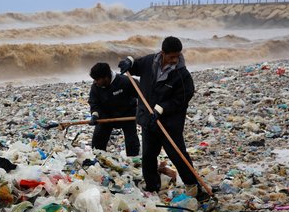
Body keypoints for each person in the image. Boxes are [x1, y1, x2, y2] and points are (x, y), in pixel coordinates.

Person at [118, 36, 210, 202]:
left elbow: (183, 97)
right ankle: (152, 186)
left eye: (177, 56)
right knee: (148, 155)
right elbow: (134, 65)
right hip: (148, 119)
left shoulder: (182, 75)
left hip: (169, 123)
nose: (175, 60)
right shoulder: (149, 62)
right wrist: (128, 62)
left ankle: (193, 187)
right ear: (163, 53)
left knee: (177, 155)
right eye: (171, 56)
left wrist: (162, 108)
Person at [88, 62, 140, 157]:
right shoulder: (96, 87)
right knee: (98, 140)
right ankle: (99, 159)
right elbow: (94, 103)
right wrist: (95, 115)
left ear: (106, 77)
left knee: (131, 140)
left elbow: (142, 95)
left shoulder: (125, 81)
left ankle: (134, 160)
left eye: (97, 79)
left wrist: (142, 111)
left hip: (128, 114)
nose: (95, 82)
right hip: (106, 116)